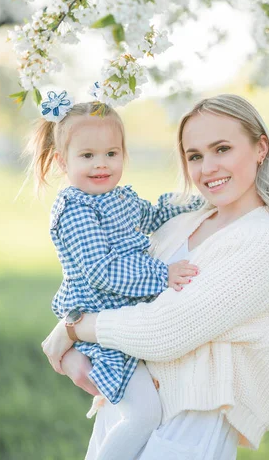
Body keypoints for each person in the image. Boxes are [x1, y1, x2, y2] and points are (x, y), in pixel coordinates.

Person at [42, 94, 269, 460]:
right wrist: (77, 346)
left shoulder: (267, 240)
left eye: (222, 149)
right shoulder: (185, 222)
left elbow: (165, 332)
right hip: (124, 412)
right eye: (195, 156)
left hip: (188, 427)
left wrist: (72, 329)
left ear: (260, 148)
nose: (208, 168)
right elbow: (115, 288)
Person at [28, 91, 202, 459]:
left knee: (141, 410)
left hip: (119, 322)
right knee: (143, 414)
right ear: (62, 161)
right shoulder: (75, 209)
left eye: (111, 153)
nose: (101, 164)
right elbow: (102, 269)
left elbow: (153, 216)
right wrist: (162, 274)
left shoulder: (118, 198)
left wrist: (197, 200)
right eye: (87, 156)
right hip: (99, 326)